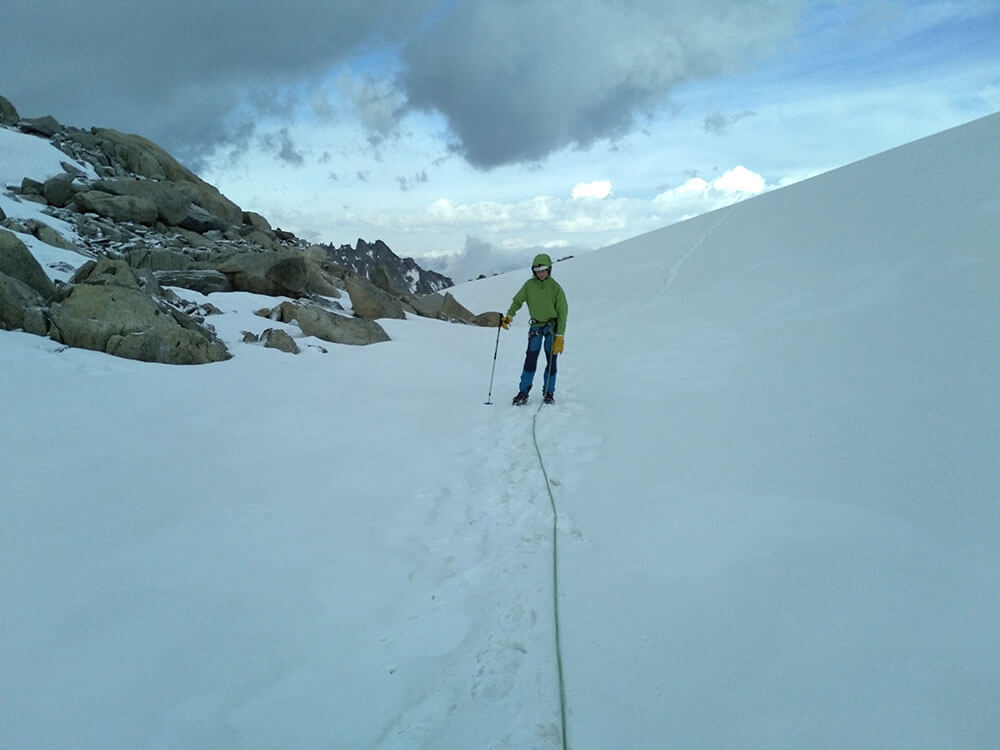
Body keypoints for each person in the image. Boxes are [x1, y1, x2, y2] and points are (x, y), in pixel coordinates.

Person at [501, 253, 568, 405]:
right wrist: (510, 315)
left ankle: (548, 392)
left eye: (544, 270)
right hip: (536, 327)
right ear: (533, 271)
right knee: (530, 360)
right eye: (537, 271)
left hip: (552, 328)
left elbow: (563, 312)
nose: (541, 273)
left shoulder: (555, 288)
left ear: (549, 269)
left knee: (551, 361)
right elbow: (518, 301)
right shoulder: (529, 286)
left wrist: (560, 335)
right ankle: (523, 392)